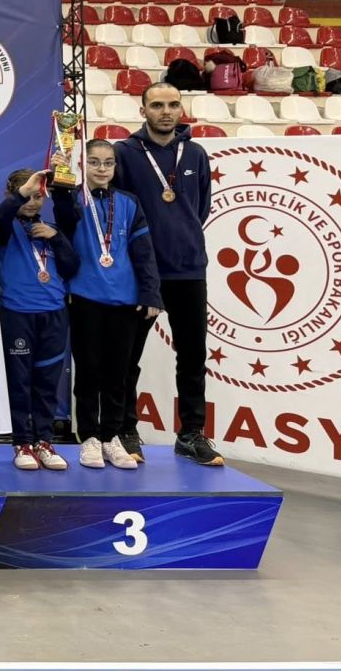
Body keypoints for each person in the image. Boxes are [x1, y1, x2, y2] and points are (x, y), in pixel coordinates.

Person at [113, 82, 225, 466]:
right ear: (143, 110)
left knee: (192, 356)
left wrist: (183, 239)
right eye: (157, 105)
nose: (166, 112)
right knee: (127, 357)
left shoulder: (195, 153)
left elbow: (200, 208)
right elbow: (116, 210)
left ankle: (191, 433)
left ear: (181, 110)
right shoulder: (124, 153)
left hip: (189, 269)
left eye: (173, 105)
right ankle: (125, 429)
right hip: (140, 272)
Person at [50, 140, 163, 470]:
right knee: (88, 372)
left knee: (118, 374)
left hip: (125, 301)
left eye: (108, 162)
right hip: (85, 298)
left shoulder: (129, 202)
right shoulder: (75, 199)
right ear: (83, 165)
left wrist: (151, 293)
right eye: (94, 162)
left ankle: (112, 436)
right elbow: (63, 214)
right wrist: (61, 177)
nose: (101, 168)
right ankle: (88, 437)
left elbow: (143, 252)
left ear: (115, 167)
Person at [0, 169, 79, 471]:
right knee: (20, 382)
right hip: (17, 314)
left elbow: (71, 267)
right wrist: (21, 193)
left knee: (47, 382)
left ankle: (44, 441)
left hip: (54, 314)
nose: (32, 202)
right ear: (13, 195)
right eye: (27, 196)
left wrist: (58, 239)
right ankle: (22, 442)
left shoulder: (52, 229)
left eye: (38, 196)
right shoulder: (5, 228)